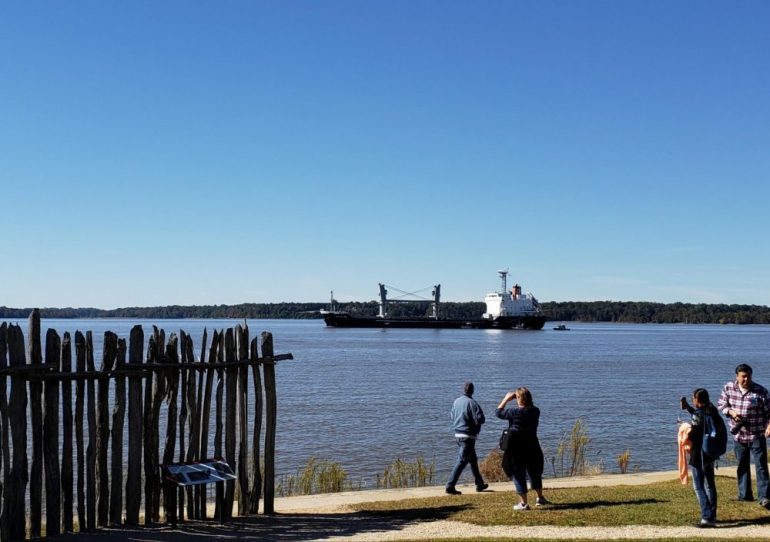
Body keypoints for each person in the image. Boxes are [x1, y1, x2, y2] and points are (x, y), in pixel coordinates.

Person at [717, 363, 770, 507]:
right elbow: (721, 405)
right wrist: (731, 412)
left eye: (748, 376)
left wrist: (769, 427)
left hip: (757, 434)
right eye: (743, 376)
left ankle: (764, 497)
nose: (746, 379)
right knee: (742, 465)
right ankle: (744, 495)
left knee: (761, 466)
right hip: (739, 435)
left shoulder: (761, 391)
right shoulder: (729, 388)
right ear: (737, 376)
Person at [495, 387, 550, 510]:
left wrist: (506, 399)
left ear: (518, 399)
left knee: (518, 473)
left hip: (516, 448)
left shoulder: (513, 412)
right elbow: (528, 408)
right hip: (532, 445)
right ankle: (540, 497)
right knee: (534, 472)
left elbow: (498, 412)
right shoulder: (535, 411)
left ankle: (524, 503)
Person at [681, 389, 720, 527]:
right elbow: (701, 417)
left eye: (693, 398)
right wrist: (689, 409)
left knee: (698, 486)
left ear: (697, 399)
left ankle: (706, 517)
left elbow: (694, 434)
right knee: (710, 485)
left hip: (699, 453)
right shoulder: (713, 411)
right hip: (711, 452)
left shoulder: (698, 414)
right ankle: (712, 515)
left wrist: (685, 428)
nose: (693, 400)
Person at [445, 381, 488, 495]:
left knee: (473, 460)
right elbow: (481, 419)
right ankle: (450, 485)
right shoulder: (472, 403)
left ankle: (479, 484)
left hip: (458, 435)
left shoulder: (456, 401)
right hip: (468, 436)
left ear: (463, 390)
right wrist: (476, 425)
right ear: (472, 391)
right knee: (462, 461)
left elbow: (452, 416)